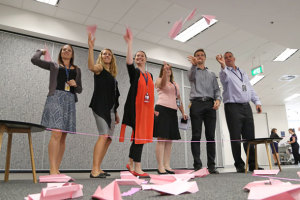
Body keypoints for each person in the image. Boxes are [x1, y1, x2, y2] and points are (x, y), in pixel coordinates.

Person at [31, 44, 82, 174]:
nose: (66, 51)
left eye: (69, 50)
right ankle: (52, 168)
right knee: (56, 133)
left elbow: (80, 89)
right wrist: (41, 51)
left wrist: (75, 85)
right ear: (60, 52)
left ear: (72, 54)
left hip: (69, 100)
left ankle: (57, 168)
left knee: (63, 136)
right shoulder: (54, 65)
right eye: (64, 49)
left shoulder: (77, 69)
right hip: (55, 99)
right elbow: (34, 60)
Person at [216, 51, 262, 173]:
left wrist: (257, 102)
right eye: (225, 58)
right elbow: (224, 78)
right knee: (236, 137)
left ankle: (253, 164)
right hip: (233, 107)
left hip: (246, 107)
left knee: (250, 137)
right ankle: (239, 164)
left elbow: (250, 88)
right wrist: (222, 65)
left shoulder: (242, 72)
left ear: (234, 58)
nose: (228, 59)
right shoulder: (224, 73)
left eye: (230, 57)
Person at [119, 29, 154, 178]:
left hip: (146, 111)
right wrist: (130, 44)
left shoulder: (150, 75)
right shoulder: (135, 73)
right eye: (137, 56)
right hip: (135, 109)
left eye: (142, 56)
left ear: (146, 59)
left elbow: (150, 94)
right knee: (139, 137)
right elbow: (128, 62)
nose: (139, 57)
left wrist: (152, 110)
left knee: (138, 137)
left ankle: (130, 163)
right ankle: (137, 167)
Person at [87, 33, 120, 178]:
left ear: (112, 58)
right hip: (100, 107)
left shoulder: (112, 75)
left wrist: (116, 112)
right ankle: (94, 170)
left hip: (111, 110)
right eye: (104, 53)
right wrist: (91, 48)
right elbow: (90, 66)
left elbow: (114, 95)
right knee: (103, 135)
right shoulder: (99, 68)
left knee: (108, 139)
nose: (107, 55)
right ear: (101, 56)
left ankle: (99, 168)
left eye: (109, 54)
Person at [187, 49, 221, 174]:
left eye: (202, 55)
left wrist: (218, 100)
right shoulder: (192, 71)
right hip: (196, 104)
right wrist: (194, 64)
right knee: (196, 135)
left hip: (210, 105)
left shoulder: (212, 74)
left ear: (205, 58)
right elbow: (190, 77)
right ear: (195, 58)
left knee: (210, 136)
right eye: (197, 56)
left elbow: (217, 90)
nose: (200, 57)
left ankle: (211, 165)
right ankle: (197, 165)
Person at [154, 62, 188, 174]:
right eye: (166, 68)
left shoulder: (175, 84)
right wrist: (164, 73)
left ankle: (167, 165)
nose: (168, 70)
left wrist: (183, 112)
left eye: (169, 68)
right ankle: (160, 167)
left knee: (169, 140)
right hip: (162, 110)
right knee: (162, 139)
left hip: (172, 112)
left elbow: (178, 99)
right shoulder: (159, 80)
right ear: (163, 70)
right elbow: (163, 84)